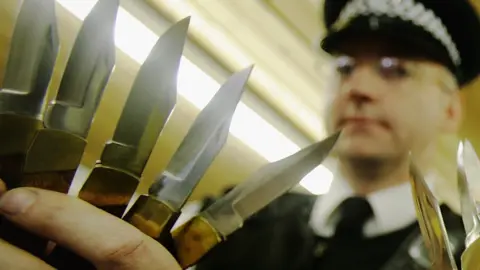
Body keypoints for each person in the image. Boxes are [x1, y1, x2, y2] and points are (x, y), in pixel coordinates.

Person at [0, 0, 479, 269]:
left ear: (450, 108)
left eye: (395, 69)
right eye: (346, 66)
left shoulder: (464, 255)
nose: (359, 88)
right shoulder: (236, 215)